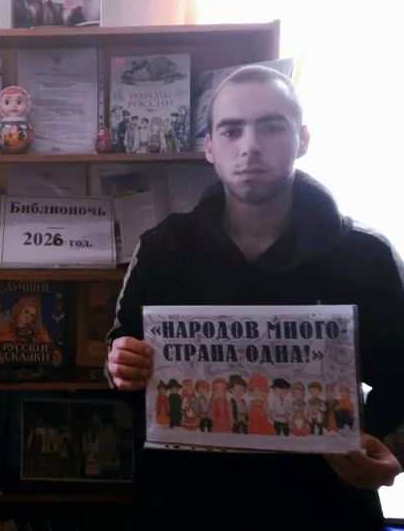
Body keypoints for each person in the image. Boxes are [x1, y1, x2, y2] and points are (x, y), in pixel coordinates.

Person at [105, 66, 404, 530]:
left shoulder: (366, 255)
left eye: (271, 127)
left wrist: (390, 447)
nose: (250, 146)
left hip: (324, 505)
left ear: (302, 139)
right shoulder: (163, 248)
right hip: (187, 503)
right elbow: (122, 358)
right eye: (231, 130)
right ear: (209, 147)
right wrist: (120, 365)